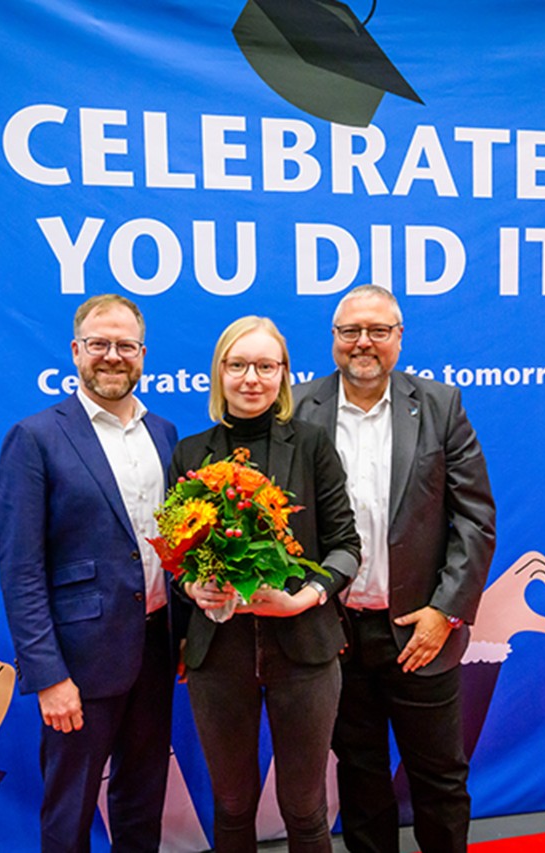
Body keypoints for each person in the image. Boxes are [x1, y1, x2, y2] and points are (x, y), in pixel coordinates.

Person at [293, 285, 496, 853]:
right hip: (335, 634)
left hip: (418, 629)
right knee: (359, 777)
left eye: (377, 331)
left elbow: (474, 520)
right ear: (333, 339)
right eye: (350, 331)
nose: (363, 343)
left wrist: (445, 612)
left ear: (398, 338)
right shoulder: (298, 408)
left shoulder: (440, 405)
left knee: (439, 778)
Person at [0, 294, 178, 852]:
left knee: (143, 797)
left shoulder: (165, 434)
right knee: (70, 807)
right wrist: (48, 676)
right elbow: (20, 569)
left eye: (125, 345)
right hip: (78, 662)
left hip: (156, 648)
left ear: (143, 354)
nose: (112, 356)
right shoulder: (36, 437)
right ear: (76, 351)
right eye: (99, 344)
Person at [171, 315, 360, 852]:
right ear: (219, 373)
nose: (251, 378)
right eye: (238, 365)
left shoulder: (313, 445)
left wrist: (303, 597)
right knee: (232, 806)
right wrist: (193, 588)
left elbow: (347, 547)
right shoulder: (189, 453)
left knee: (304, 808)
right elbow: (179, 556)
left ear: (283, 376)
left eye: (265, 366)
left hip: (303, 653)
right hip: (219, 656)